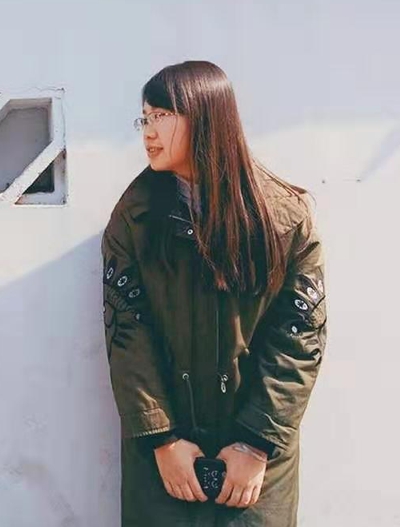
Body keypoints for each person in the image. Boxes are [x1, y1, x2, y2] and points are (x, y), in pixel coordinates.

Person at [101, 60, 327, 527]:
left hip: (259, 460)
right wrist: (162, 438)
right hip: (164, 458)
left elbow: (300, 335)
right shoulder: (134, 217)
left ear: (206, 118)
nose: (148, 131)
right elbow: (126, 334)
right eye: (144, 118)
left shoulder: (284, 217)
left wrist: (256, 443)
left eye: (161, 115)